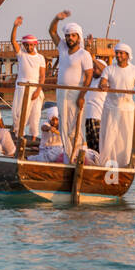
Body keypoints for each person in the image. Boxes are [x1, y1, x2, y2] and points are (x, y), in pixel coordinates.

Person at [48, 10, 93, 159]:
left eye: (73, 35)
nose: (69, 38)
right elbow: (52, 31)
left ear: (78, 37)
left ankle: (78, 155)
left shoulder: (83, 54)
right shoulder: (62, 48)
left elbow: (89, 76)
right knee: (64, 124)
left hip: (76, 93)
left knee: (76, 125)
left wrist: (82, 95)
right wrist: (57, 18)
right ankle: (68, 155)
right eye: (67, 35)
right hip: (61, 92)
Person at [98, 43, 135, 168]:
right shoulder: (109, 69)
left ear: (127, 55)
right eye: (117, 53)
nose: (118, 55)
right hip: (111, 107)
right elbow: (102, 82)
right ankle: (105, 164)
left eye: (121, 53)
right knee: (108, 137)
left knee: (126, 137)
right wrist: (103, 86)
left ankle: (125, 163)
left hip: (127, 109)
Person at [10, 17, 46, 142]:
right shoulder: (21, 54)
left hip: (35, 88)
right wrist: (15, 26)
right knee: (19, 113)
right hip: (22, 87)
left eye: (31, 45)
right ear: (24, 45)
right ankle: (19, 136)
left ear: (35, 45)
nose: (29, 47)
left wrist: (38, 90)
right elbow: (13, 41)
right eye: (27, 45)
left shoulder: (40, 57)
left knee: (35, 115)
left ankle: (34, 137)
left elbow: (42, 76)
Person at [83, 42, 109, 151]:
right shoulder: (91, 80)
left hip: (98, 117)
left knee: (99, 144)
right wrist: (87, 49)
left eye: (96, 68)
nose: (94, 70)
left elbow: (104, 70)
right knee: (91, 146)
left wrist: (93, 58)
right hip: (88, 117)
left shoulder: (104, 80)